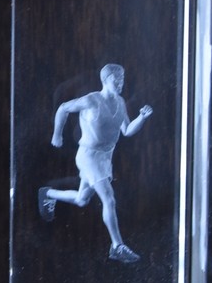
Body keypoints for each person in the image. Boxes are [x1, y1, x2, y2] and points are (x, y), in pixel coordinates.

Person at [38, 64, 153, 263]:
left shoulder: (120, 102)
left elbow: (127, 131)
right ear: (106, 80)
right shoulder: (92, 100)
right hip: (88, 157)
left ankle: (48, 194)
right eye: (117, 79)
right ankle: (117, 246)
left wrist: (141, 118)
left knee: (82, 199)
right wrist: (57, 134)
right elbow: (63, 108)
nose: (121, 83)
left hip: (105, 158)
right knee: (109, 199)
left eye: (122, 79)